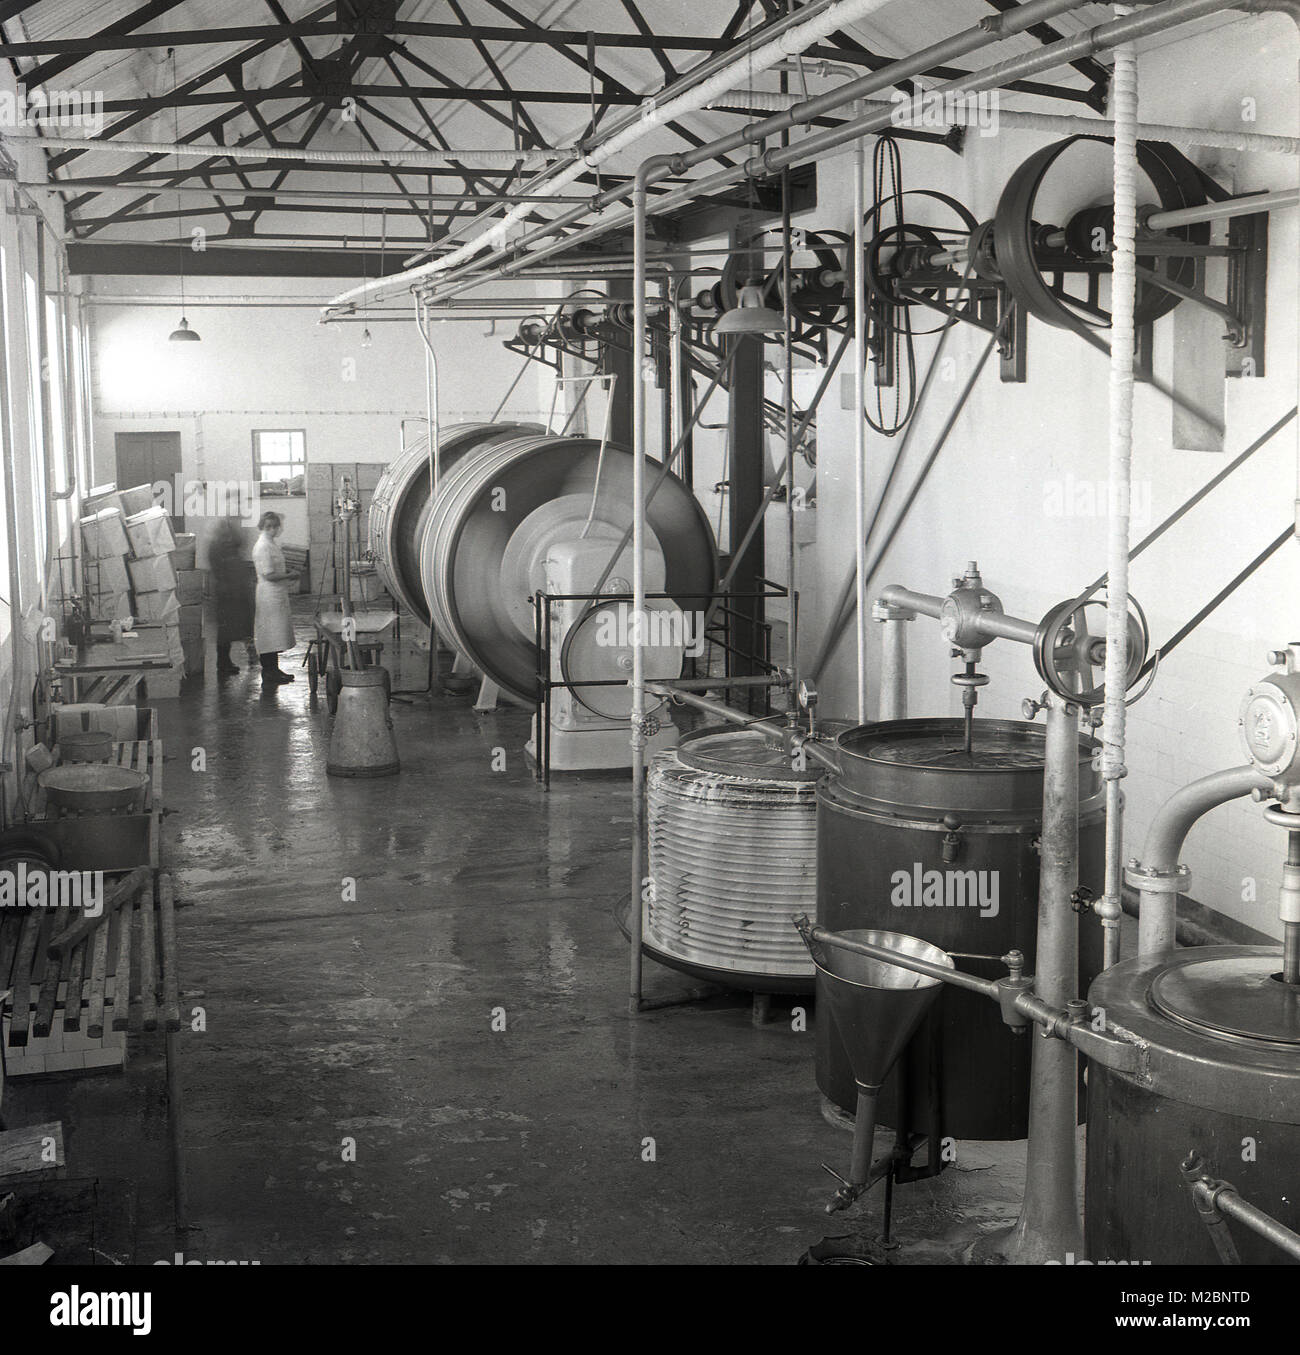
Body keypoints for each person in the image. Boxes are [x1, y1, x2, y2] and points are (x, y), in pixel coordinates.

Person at [252, 511, 298, 685]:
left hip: (275, 593)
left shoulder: (270, 543)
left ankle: (273, 669)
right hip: (269, 594)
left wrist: (286, 573)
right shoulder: (263, 545)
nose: (277, 529)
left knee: (273, 634)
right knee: (269, 635)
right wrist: (289, 576)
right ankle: (269, 672)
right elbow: (269, 575)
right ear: (269, 527)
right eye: (274, 526)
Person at [209, 518, 255, 675]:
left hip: (237, 592)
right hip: (226, 594)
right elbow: (216, 569)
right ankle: (222, 663)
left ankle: (228, 660)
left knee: (240, 626)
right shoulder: (216, 547)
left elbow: (241, 542)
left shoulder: (232, 548)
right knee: (225, 631)